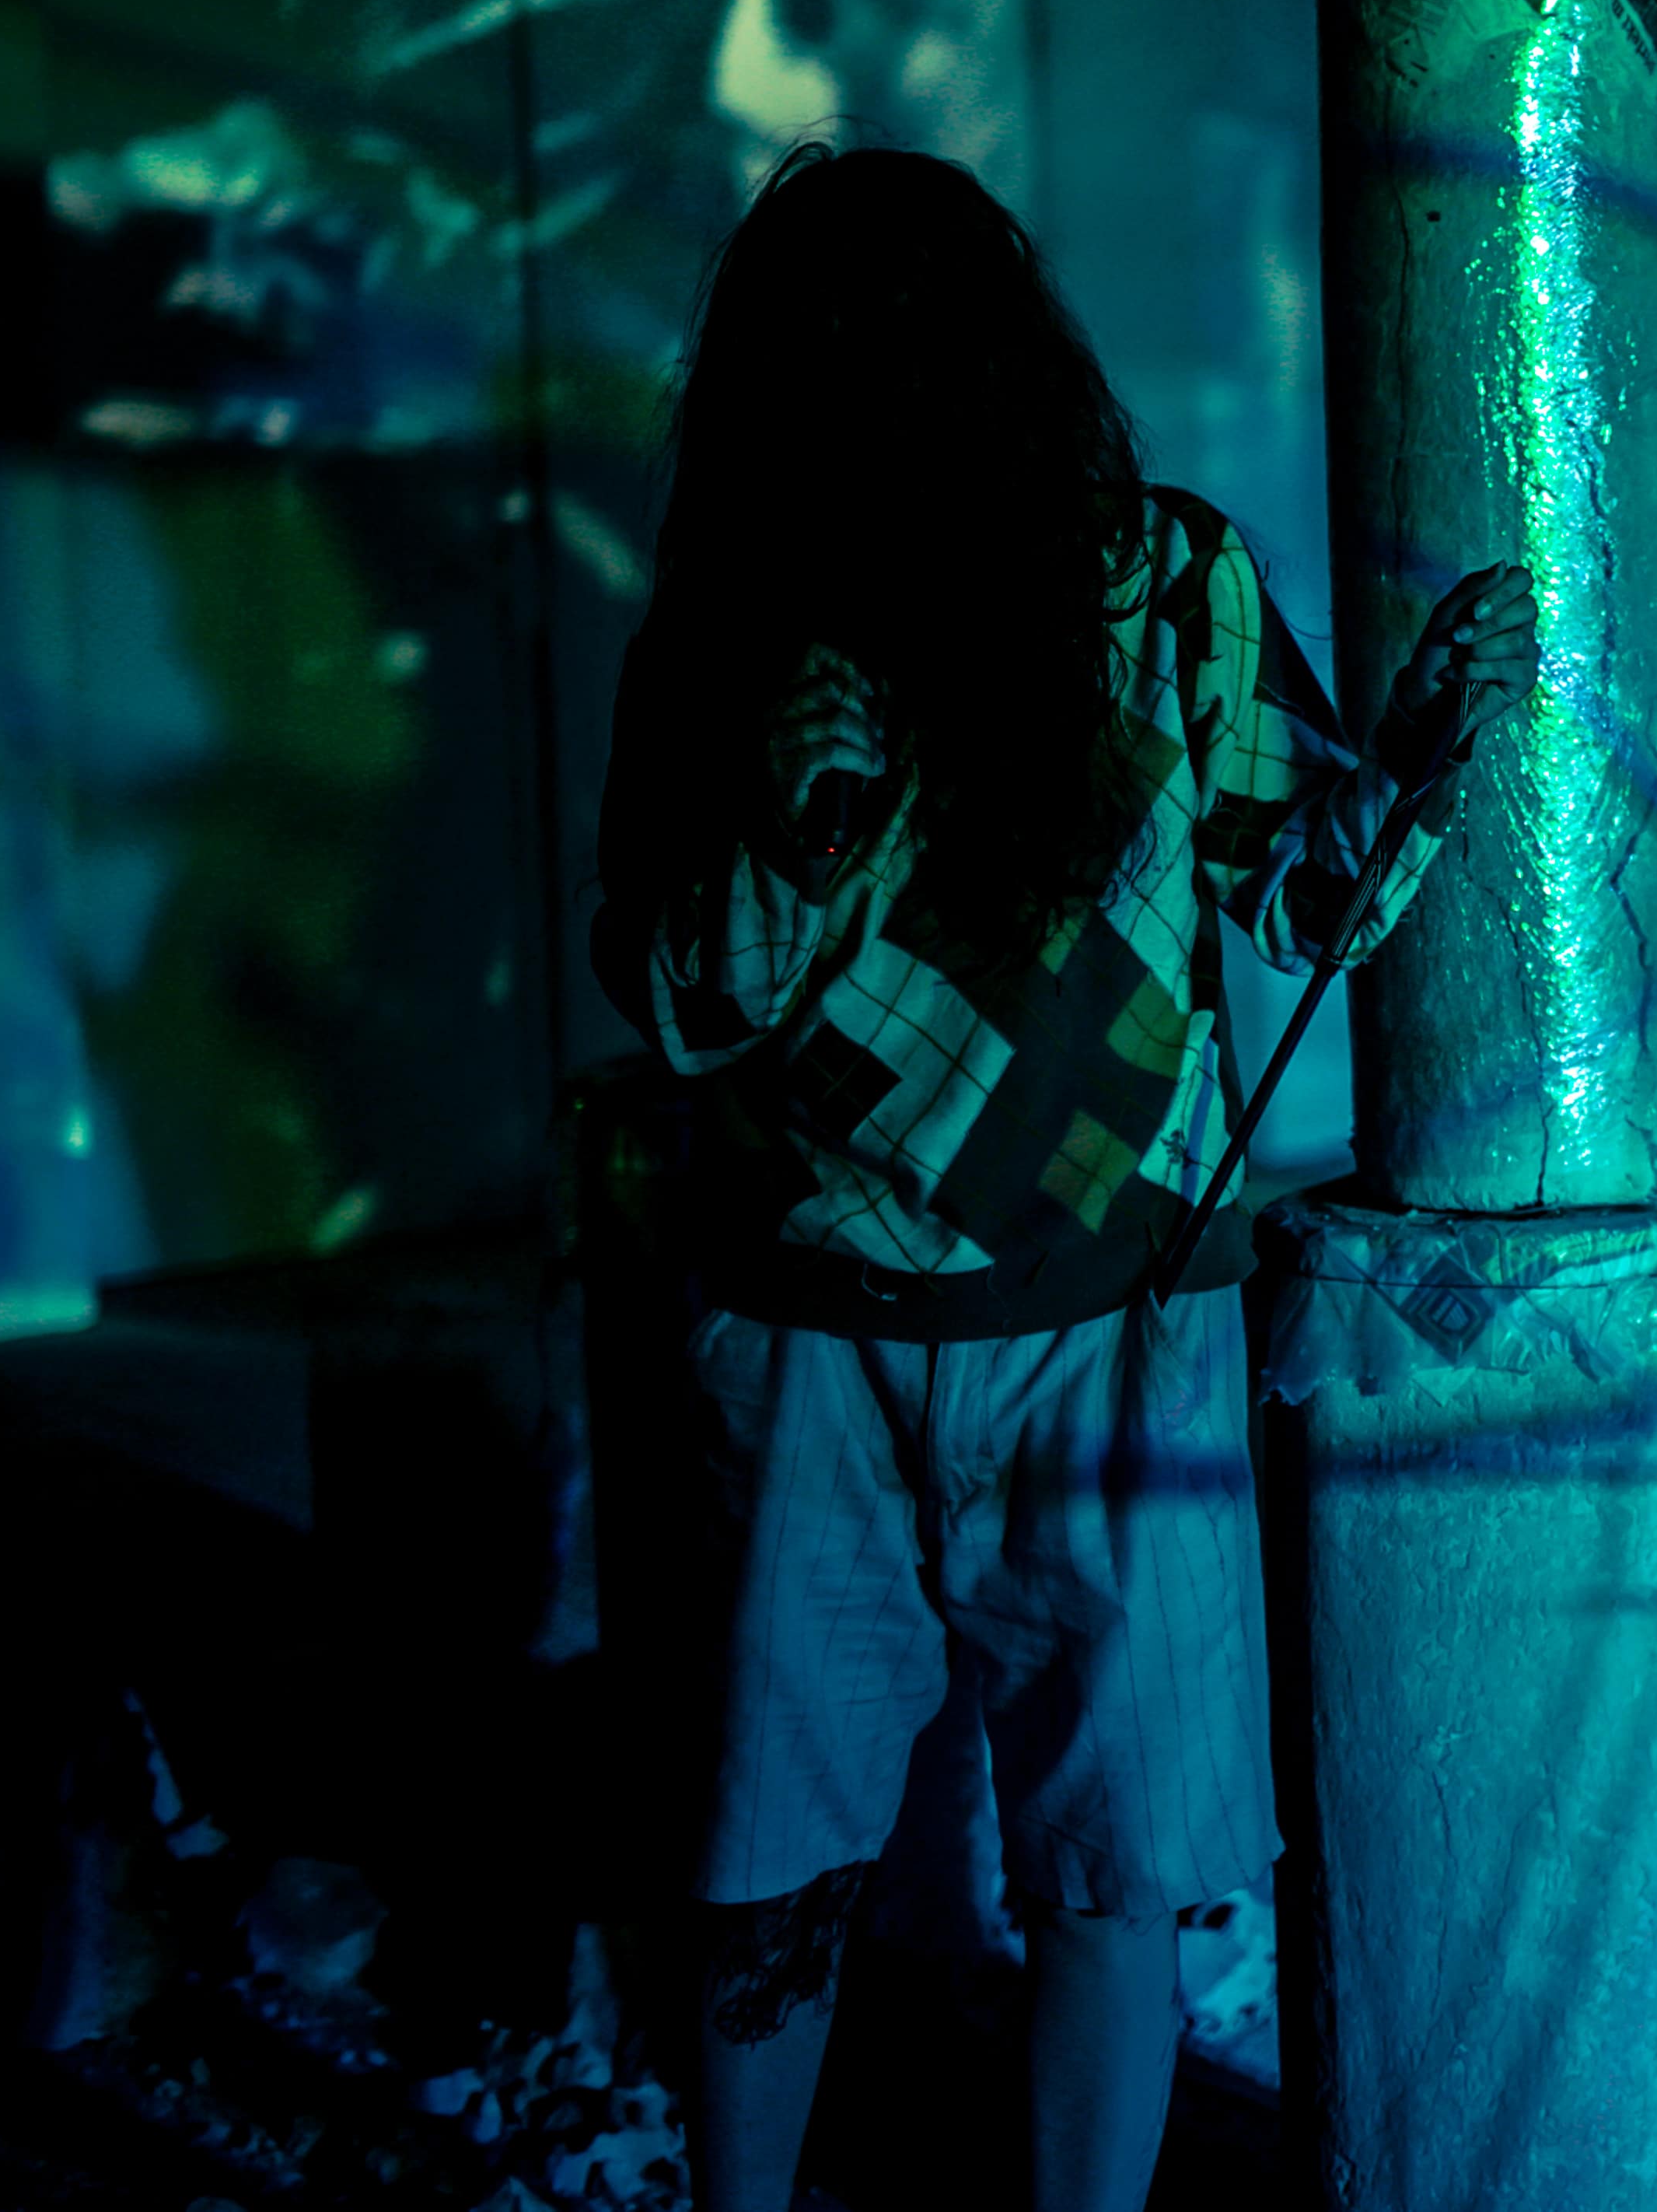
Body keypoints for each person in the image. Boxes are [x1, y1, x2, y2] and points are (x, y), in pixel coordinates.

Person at [589, 146, 1533, 2212]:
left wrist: (1413, 773)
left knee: (1119, 1863)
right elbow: (681, 1005)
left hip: (1114, 1333)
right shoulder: (733, 644)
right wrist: (797, 819)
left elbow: (1303, 893)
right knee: (770, 1865)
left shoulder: (1163, 588)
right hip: (811, 1338)